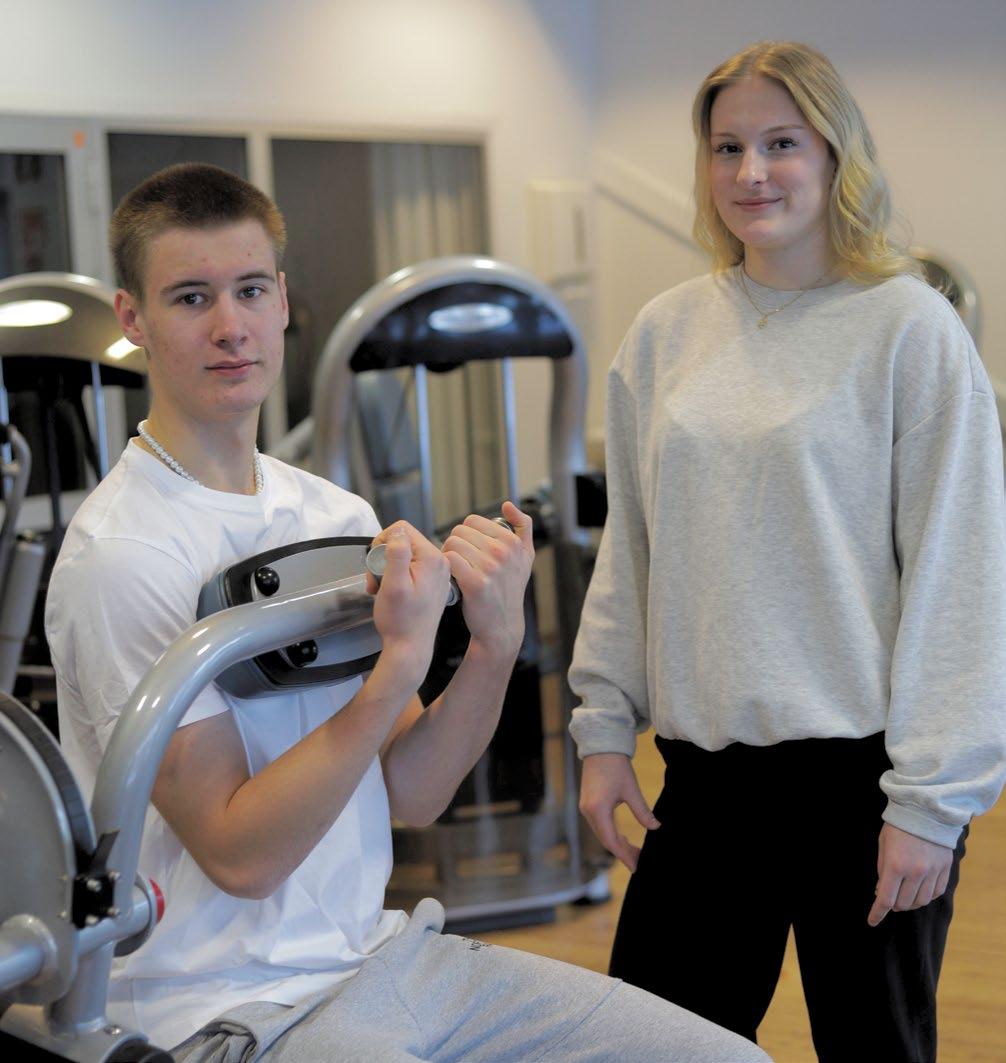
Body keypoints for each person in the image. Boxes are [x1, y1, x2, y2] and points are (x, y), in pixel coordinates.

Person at [45, 163, 768, 1063]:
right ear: (133, 317)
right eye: (192, 298)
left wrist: (493, 642)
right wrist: (398, 665)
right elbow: (241, 855)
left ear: (282, 302)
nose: (231, 326)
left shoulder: (331, 515)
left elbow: (413, 792)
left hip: (383, 959)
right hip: (226, 1009)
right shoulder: (125, 554)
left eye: (251, 290)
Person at [569, 40, 1006, 1063]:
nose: (751, 173)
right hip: (706, 784)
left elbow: (961, 581)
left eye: (781, 143)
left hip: (863, 786)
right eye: (727, 148)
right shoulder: (665, 332)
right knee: (651, 1047)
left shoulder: (910, 329)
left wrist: (932, 805)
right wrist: (602, 729)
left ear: (835, 154)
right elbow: (630, 553)